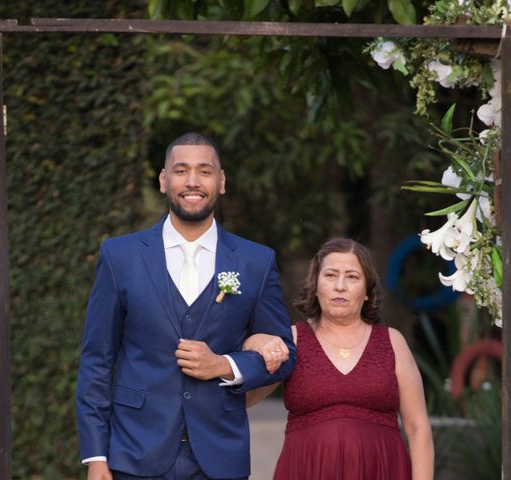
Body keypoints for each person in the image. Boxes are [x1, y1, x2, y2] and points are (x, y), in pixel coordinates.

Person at [76, 132, 295, 480]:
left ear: (221, 182)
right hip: (134, 454)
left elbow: (285, 357)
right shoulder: (120, 256)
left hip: (219, 457)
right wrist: (96, 456)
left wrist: (225, 365)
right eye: (181, 170)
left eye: (205, 171)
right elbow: (96, 359)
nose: (192, 181)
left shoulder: (256, 261)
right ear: (164, 181)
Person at [245, 238, 434, 480]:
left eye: (353, 277)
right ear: (316, 285)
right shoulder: (292, 339)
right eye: (331, 275)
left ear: (367, 291)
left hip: (383, 469)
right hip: (306, 469)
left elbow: (418, 428)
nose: (340, 286)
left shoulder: (392, 341)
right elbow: (246, 399)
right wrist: (252, 344)